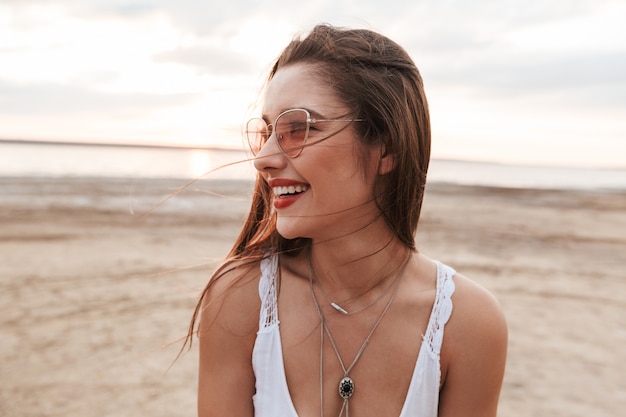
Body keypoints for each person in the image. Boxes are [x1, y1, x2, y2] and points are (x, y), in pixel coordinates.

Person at [186, 23, 508, 417]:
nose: (263, 158)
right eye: (266, 132)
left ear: (386, 146)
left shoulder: (467, 324)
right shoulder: (241, 300)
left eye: (298, 128)